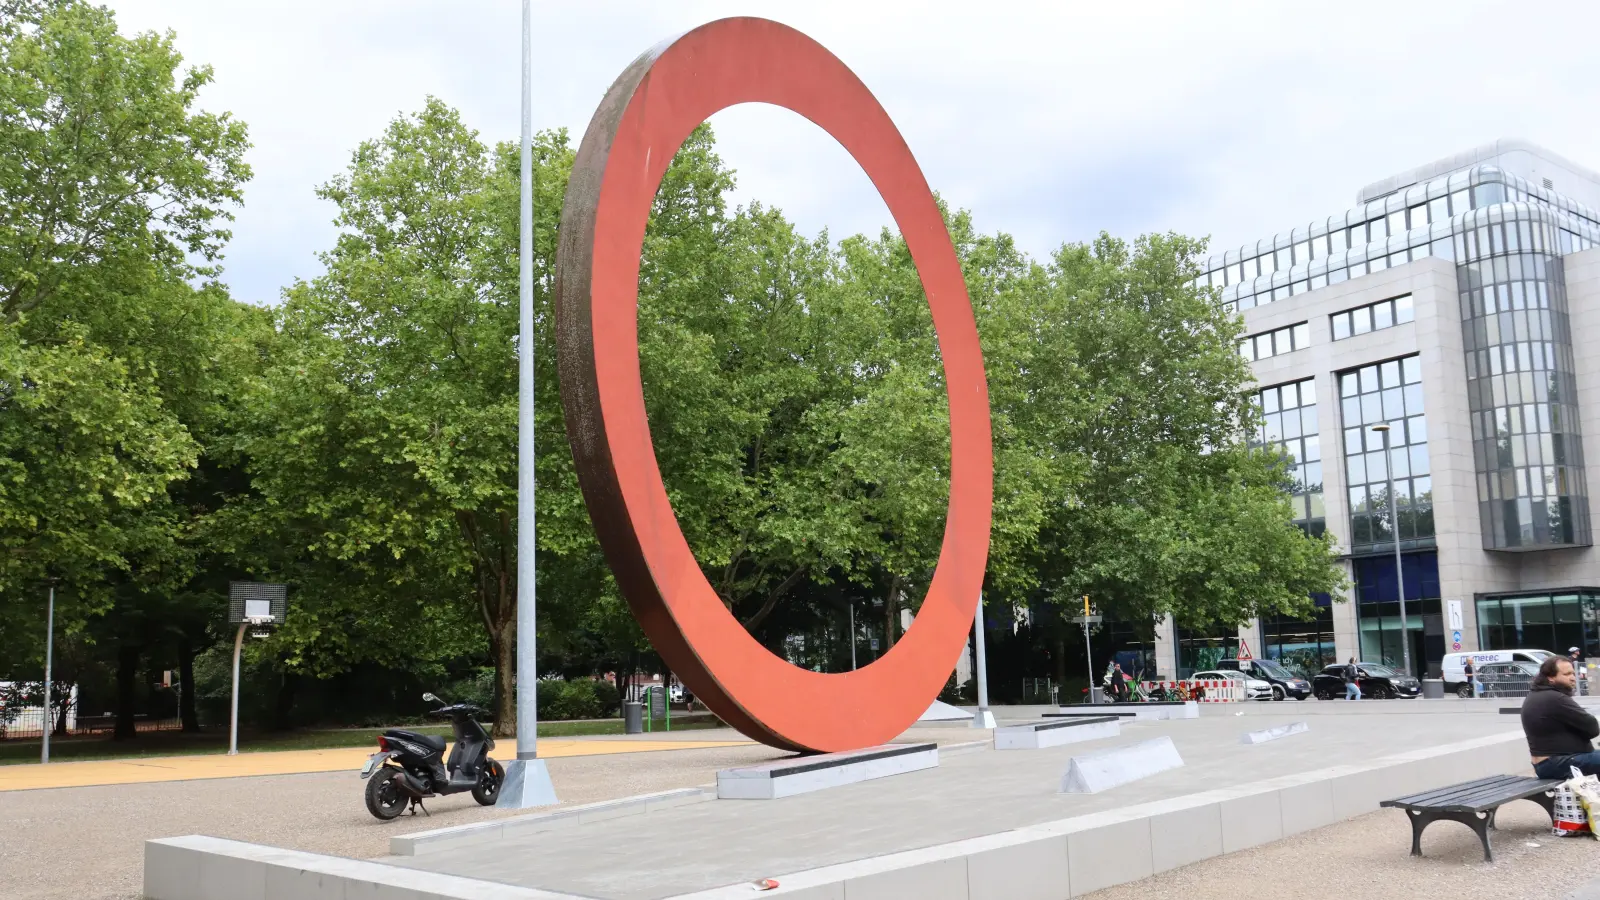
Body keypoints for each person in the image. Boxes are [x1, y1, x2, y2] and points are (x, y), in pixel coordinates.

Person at [1521, 657, 1600, 779]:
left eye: (1573, 673)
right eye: (1567, 674)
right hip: (1555, 763)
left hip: (1550, 762)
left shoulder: (1539, 694)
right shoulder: (1556, 698)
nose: (1573, 678)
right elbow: (1592, 727)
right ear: (1550, 677)